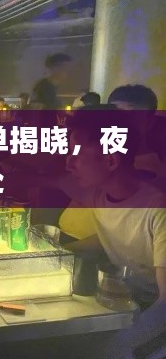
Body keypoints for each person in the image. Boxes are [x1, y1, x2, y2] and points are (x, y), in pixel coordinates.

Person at [62, 108, 166, 310]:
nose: (69, 165)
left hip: (149, 312)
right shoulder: (99, 194)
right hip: (121, 300)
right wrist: (58, 252)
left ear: (110, 160)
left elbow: (164, 305)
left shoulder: (157, 210)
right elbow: (121, 238)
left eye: (77, 155)